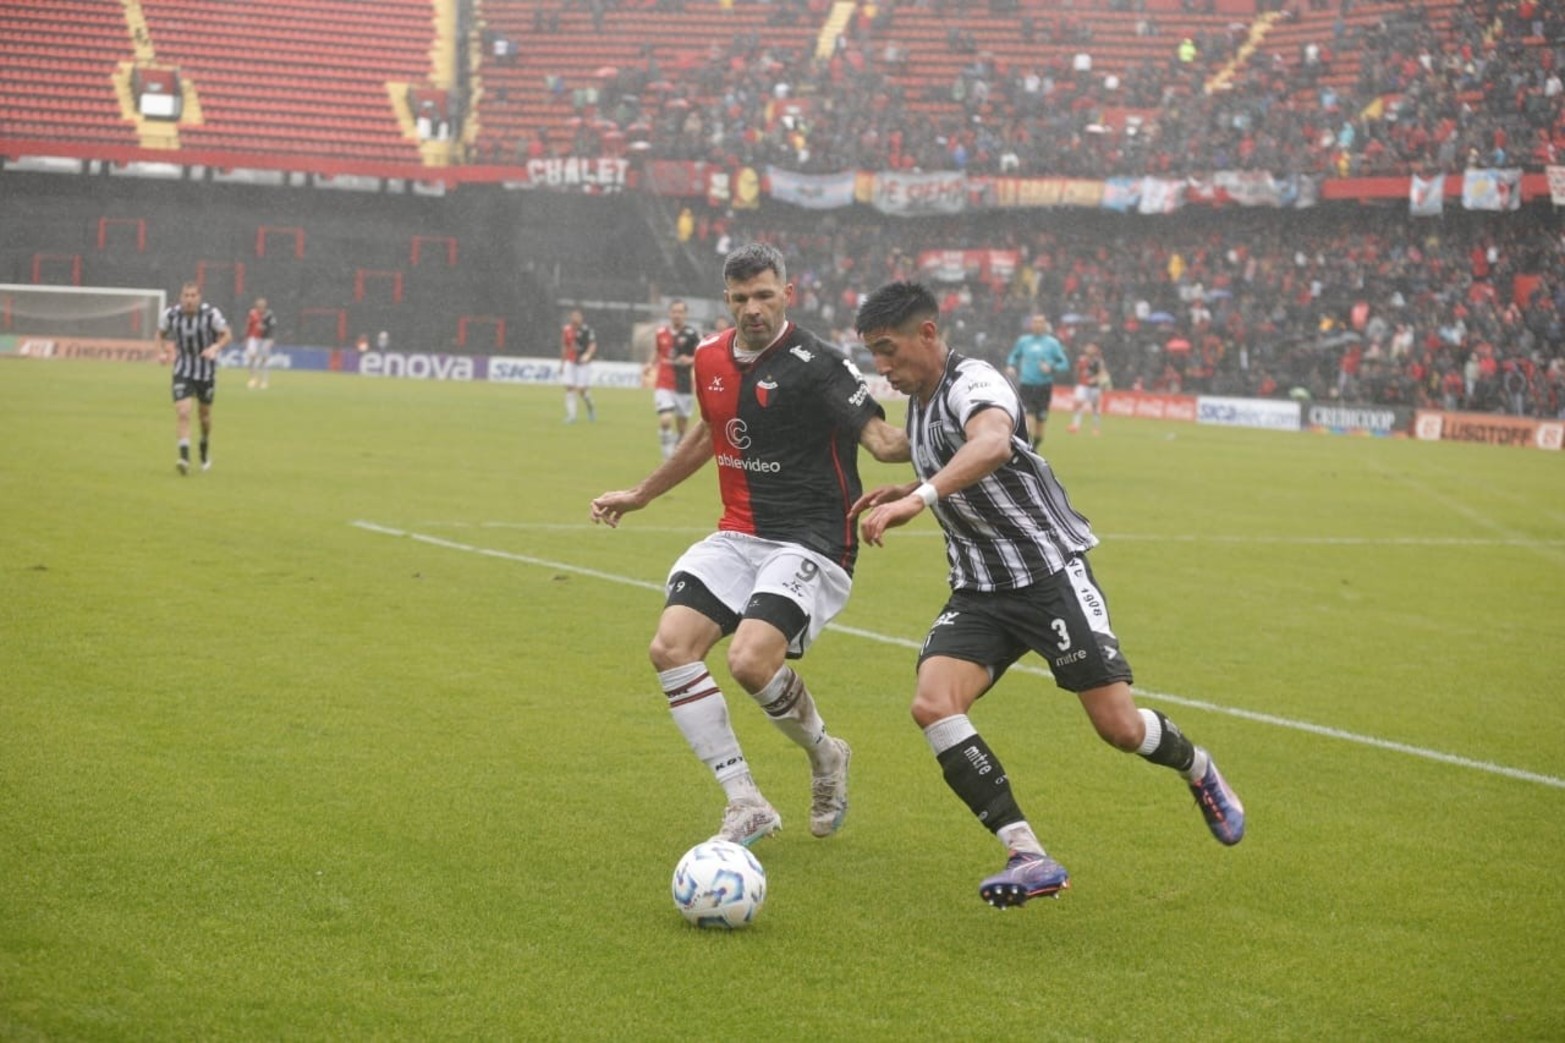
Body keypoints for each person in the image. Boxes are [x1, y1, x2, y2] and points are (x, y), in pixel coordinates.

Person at [850, 281, 1244, 908]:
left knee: (1118, 728)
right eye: (873, 354)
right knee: (932, 704)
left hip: (1049, 578)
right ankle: (1028, 854)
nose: (882, 367)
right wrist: (907, 487)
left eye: (888, 350)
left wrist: (920, 499)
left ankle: (1198, 767)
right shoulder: (919, 401)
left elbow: (992, 443)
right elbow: (935, 458)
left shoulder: (973, 382)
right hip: (980, 589)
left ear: (927, 334)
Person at [589, 243, 908, 846]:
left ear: (788, 293)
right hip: (739, 534)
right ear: (726, 300)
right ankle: (745, 800)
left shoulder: (821, 364)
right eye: (740, 299)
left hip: (814, 539)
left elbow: (885, 443)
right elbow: (707, 434)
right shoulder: (708, 356)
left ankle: (825, 755)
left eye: (764, 295)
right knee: (670, 647)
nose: (752, 309)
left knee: (749, 661)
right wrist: (641, 494)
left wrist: (968, 429)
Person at [157, 280, 232, 475]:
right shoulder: (171, 315)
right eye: (186, 296)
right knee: (183, 411)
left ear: (199, 298)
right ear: (181, 297)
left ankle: (204, 447)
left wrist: (215, 347)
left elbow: (226, 335)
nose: (189, 300)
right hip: (183, 370)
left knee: (204, 417)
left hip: (206, 372)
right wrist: (163, 351)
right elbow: (160, 333)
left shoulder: (210, 315)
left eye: (193, 296)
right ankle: (184, 457)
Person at [1004, 313, 1070, 449]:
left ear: (1045, 325)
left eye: (1040, 322)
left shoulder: (1052, 343)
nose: (1037, 325)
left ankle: (1035, 444)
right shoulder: (1024, 341)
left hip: (1044, 387)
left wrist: (1051, 367)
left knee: (1041, 424)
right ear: (1031, 324)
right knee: (1028, 416)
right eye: (1035, 322)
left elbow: (1064, 364)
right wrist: (1011, 365)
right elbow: (1013, 355)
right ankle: (1027, 445)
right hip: (1027, 385)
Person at [646, 298, 700, 459]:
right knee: (665, 419)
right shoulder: (661, 332)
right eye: (674, 311)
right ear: (669, 313)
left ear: (685, 315)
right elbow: (657, 352)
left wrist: (689, 360)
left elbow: (701, 355)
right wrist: (649, 364)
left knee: (682, 429)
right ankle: (666, 456)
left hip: (683, 384)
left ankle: (676, 451)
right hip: (663, 382)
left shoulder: (692, 334)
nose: (677, 315)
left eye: (680, 312)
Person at [560, 308, 597, 423]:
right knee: (569, 388)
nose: (576, 318)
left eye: (578, 316)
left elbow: (593, 344)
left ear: (581, 318)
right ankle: (572, 416)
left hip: (583, 363)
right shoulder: (566, 330)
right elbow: (565, 346)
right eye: (574, 316)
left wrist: (588, 354)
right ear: (571, 317)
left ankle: (590, 408)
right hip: (571, 361)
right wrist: (562, 364)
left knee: (582, 390)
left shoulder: (587, 330)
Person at [1068, 341, 1108, 434]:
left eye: (1091, 347)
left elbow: (1102, 372)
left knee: (1095, 407)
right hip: (1082, 385)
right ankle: (1075, 425)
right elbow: (1078, 370)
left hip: (1094, 387)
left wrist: (1095, 378)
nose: (1089, 349)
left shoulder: (1098, 361)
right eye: (1088, 347)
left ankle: (1096, 427)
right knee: (1078, 404)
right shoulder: (1081, 359)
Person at [244, 296, 277, 390]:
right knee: (251, 357)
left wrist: (271, 338)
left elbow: (272, 327)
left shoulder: (269, 314)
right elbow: (249, 326)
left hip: (265, 339)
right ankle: (253, 379)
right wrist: (246, 337)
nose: (261, 308)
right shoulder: (252, 313)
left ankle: (264, 381)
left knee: (264, 360)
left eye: (262, 306)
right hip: (253, 338)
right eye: (259, 306)